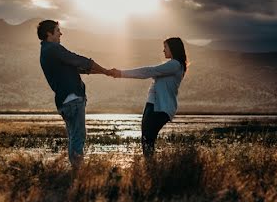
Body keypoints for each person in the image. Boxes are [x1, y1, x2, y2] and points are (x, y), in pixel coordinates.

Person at [37, 19, 114, 174]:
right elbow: (81, 61)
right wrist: (106, 71)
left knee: (74, 137)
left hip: (64, 101)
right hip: (72, 99)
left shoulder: (47, 52)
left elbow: (80, 68)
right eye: (57, 30)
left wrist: (104, 72)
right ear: (49, 34)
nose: (61, 33)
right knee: (78, 137)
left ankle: (74, 172)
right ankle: (78, 174)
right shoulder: (53, 49)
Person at [111, 37, 188, 157]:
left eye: (166, 47)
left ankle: (150, 168)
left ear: (173, 48)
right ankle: (150, 168)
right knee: (147, 139)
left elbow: (147, 72)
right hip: (154, 106)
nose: (163, 50)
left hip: (159, 108)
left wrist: (121, 73)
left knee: (147, 139)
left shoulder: (175, 65)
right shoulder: (172, 65)